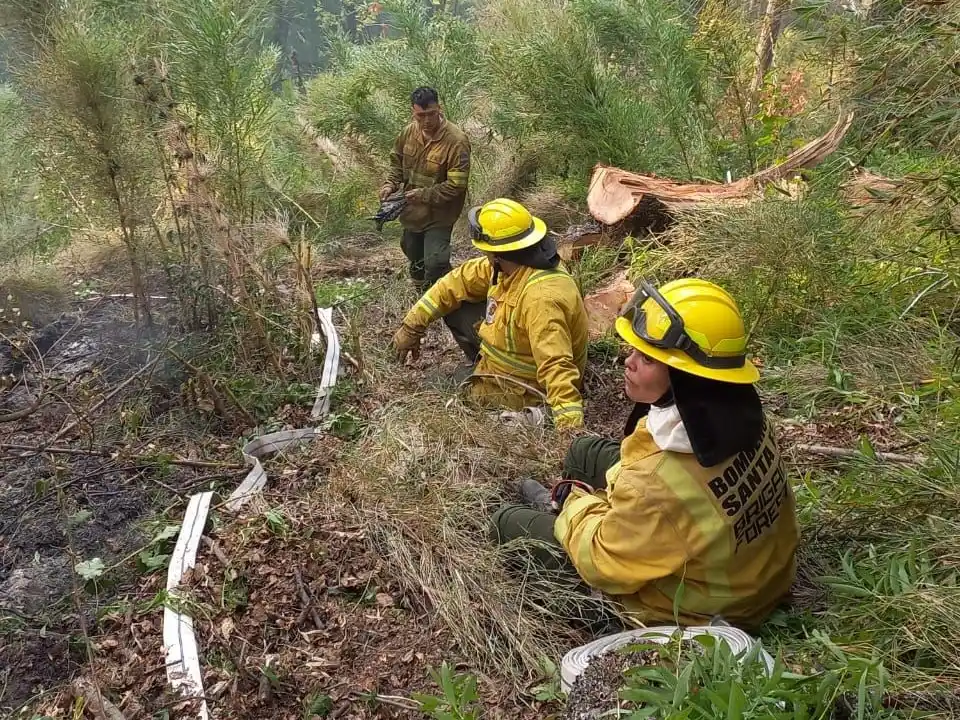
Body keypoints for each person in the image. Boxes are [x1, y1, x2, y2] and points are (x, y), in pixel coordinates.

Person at [491, 278, 799, 629]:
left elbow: (600, 561)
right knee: (584, 451)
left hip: (702, 610)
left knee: (508, 522)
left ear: (686, 377)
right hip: (756, 573)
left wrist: (574, 502)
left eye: (648, 358)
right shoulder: (738, 412)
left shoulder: (651, 484)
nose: (629, 361)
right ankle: (608, 520)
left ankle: (593, 602)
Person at [391, 198, 588, 429]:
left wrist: (569, 427)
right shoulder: (513, 263)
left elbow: (556, 365)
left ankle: (529, 411)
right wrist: (411, 326)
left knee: (438, 388)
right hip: (507, 366)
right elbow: (456, 282)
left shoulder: (541, 299)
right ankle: (481, 368)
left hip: (525, 389)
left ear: (496, 253)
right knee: (456, 304)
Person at [380, 86, 471, 292]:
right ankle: (421, 294)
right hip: (412, 212)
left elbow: (456, 185)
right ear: (413, 113)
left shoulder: (456, 141)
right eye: (421, 116)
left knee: (436, 261)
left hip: (440, 213)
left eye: (431, 114)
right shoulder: (408, 133)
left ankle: (446, 297)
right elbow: (397, 163)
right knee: (413, 254)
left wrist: (424, 195)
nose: (427, 121)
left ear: (439, 108)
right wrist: (390, 184)